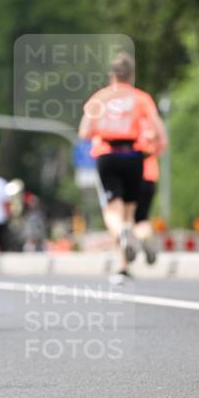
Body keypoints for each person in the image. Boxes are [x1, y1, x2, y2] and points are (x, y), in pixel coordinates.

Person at [78, 51, 166, 284]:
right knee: (129, 211)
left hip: (108, 154)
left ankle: (122, 234)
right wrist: (148, 151)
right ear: (131, 75)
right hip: (135, 156)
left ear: (112, 75)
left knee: (111, 210)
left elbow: (84, 132)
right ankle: (123, 264)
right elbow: (160, 134)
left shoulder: (100, 98)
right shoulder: (141, 98)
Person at [133, 114, 168, 264]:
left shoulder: (130, 125)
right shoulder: (153, 126)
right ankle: (146, 237)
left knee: (126, 217)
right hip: (150, 178)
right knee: (143, 216)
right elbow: (161, 145)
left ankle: (124, 262)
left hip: (132, 177)